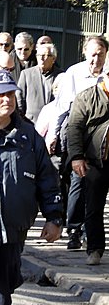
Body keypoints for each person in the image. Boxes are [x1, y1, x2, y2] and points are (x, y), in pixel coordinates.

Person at [0, 70, 63, 305]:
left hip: (11, 229)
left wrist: (54, 217)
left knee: (1, 296)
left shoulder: (27, 135)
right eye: (0, 94)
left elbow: (47, 177)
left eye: (11, 94)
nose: (7, 100)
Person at [65, 70, 109, 266]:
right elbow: (74, 127)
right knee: (93, 206)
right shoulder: (87, 97)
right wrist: (77, 157)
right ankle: (95, 248)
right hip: (94, 160)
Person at [16, 42, 59, 123]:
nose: (41, 58)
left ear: (53, 59)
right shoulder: (26, 74)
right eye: (39, 55)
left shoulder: (61, 76)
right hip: (31, 123)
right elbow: (19, 98)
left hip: (53, 123)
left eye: (45, 55)